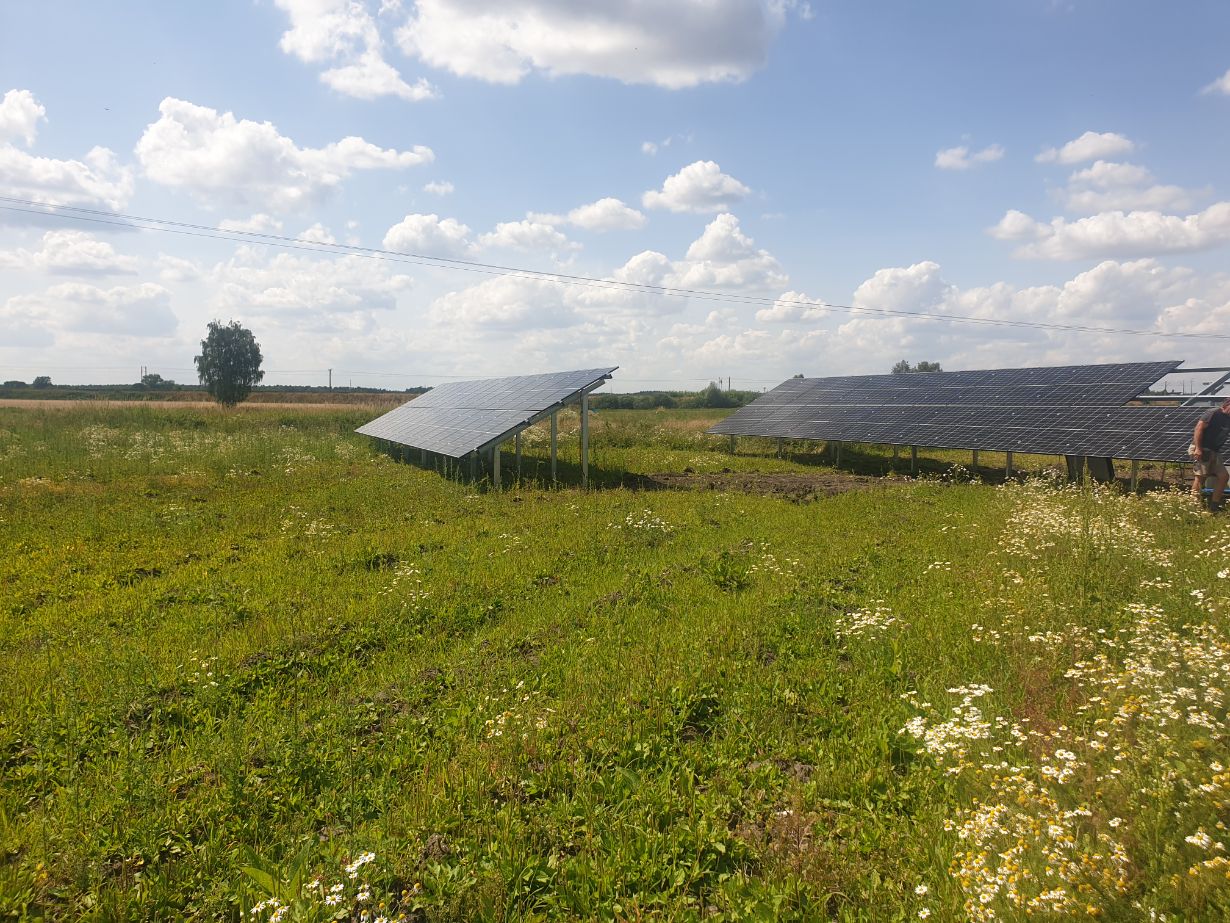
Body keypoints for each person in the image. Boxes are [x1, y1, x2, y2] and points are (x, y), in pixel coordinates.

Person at [1191, 396, 1230, 512]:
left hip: (1214, 451)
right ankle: (1193, 505)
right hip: (1203, 448)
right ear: (1226, 405)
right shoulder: (1213, 413)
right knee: (1201, 477)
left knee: (1224, 476)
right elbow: (1198, 429)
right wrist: (1198, 448)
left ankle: (1214, 506)